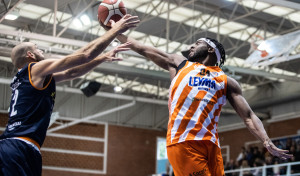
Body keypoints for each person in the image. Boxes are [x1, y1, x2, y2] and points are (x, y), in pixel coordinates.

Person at [100, 19, 293, 176]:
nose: (191, 47)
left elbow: (249, 116)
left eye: (197, 43)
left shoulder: (227, 81)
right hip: (184, 142)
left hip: (212, 146)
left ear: (210, 49)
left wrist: (266, 140)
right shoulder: (179, 64)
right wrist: (113, 31)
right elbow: (143, 48)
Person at [0, 14, 139, 176]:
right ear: (30, 55)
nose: (41, 50)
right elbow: (84, 55)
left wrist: (101, 58)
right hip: (18, 147)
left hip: (18, 146)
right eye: (37, 47)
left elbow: (72, 71)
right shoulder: (35, 68)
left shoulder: (27, 78)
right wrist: (115, 31)